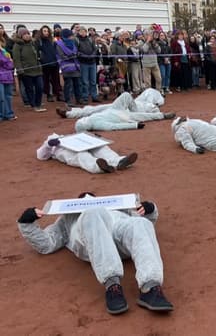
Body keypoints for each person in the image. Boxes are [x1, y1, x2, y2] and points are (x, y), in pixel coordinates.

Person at [16, 194, 174, 314]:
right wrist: (27, 223)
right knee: (93, 213)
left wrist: (150, 209)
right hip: (91, 242)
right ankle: (112, 285)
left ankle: (150, 286)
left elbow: (145, 229)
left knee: (141, 223)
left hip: (118, 233)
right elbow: (47, 243)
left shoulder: (120, 207)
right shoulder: (66, 218)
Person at [36, 133, 137, 173]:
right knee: (81, 156)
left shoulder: (70, 135)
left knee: (101, 148)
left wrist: (95, 138)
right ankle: (99, 167)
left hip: (81, 143)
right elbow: (40, 155)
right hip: (65, 150)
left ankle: (119, 161)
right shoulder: (50, 141)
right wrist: (49, 145)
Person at [57, 90, 165, 119]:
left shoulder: (153, 105)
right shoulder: (147, 95)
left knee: (100, 111)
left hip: (130, 112)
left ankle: (70, 113)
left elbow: (157, 107)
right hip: (128, 106)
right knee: (100, 109)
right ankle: (71, 112)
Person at [12, 27, 46, 112]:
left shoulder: (32, 43)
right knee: (29, 89)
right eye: (24, 34)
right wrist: (20, 69)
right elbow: (16, 59)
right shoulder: (17, 45)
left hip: (37, 70)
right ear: (20, 36)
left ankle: (38, 102)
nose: (27, 36)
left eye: (28, 33)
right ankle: (34, 105)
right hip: (26, 71)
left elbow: (37, 55)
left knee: (40, 87)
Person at [0, 40, 15, 121]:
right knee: (1, 97)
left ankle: (8, 114)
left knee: (8, 96)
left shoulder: (5, 52)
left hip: (7, 76)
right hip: (1, 77)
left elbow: (10, 64)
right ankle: (1, 115)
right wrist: (7, 61)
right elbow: (4, 61)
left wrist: (7, 60)